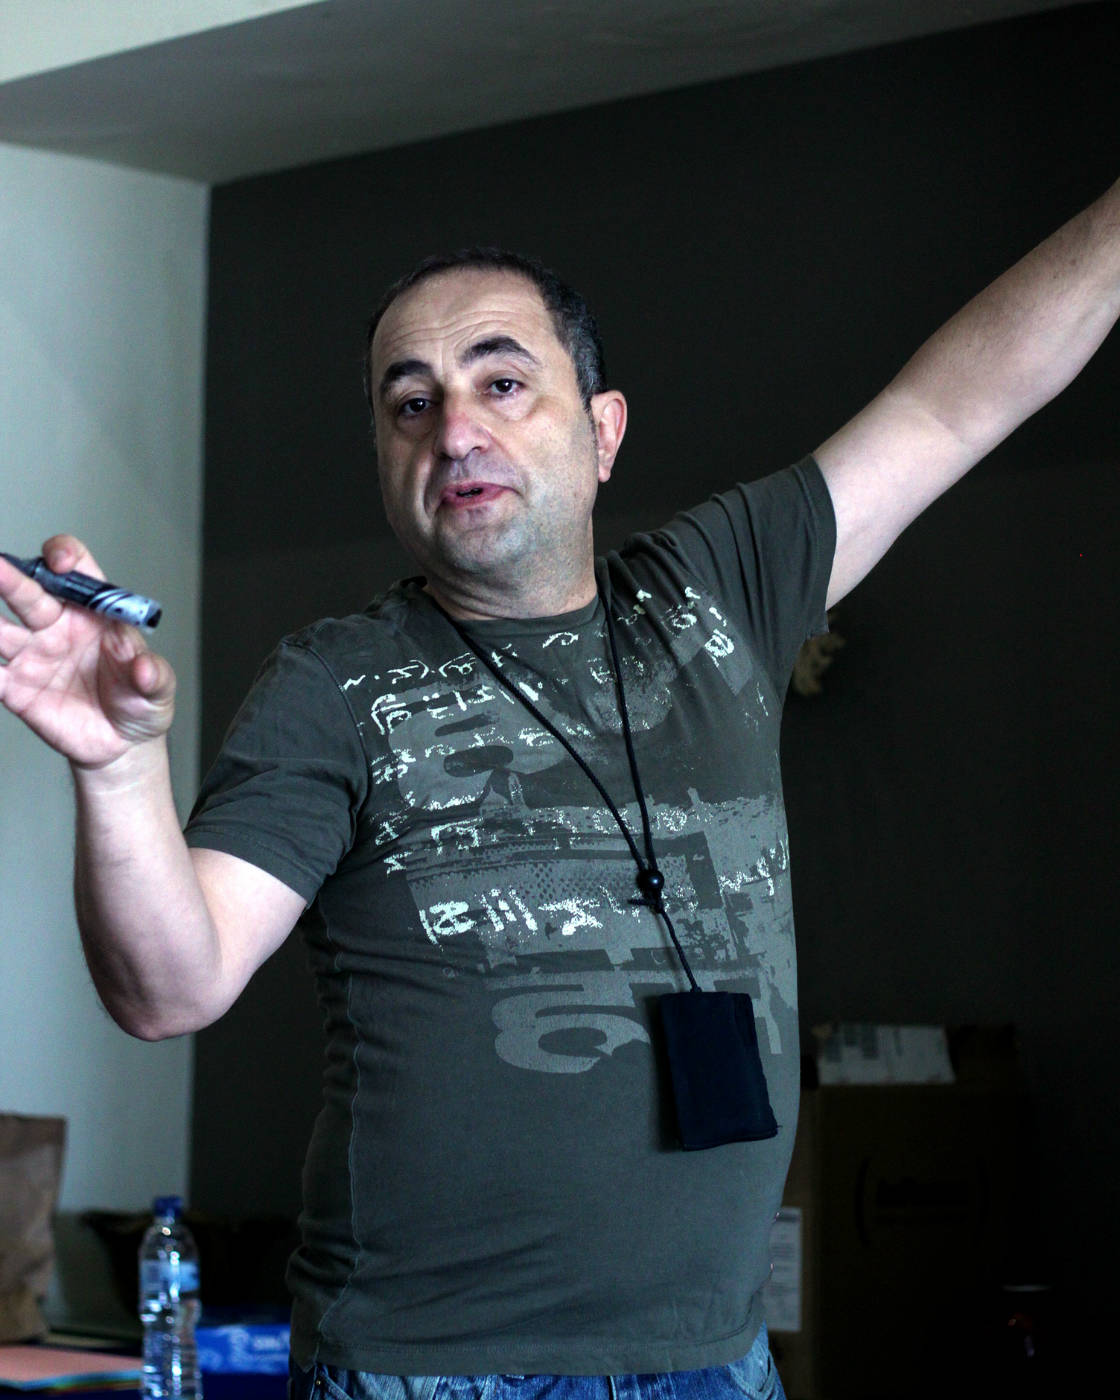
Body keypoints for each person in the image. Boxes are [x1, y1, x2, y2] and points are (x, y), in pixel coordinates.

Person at [1, 179, 1118, 1400]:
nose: (453, 432)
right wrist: (116, 766)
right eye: (410, 403)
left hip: (713, 1359)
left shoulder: (720, 592)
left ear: (602, 431)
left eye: (501, 382)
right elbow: (171, 984)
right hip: (433, 1373)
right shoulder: (334, 684)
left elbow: (958, 404)